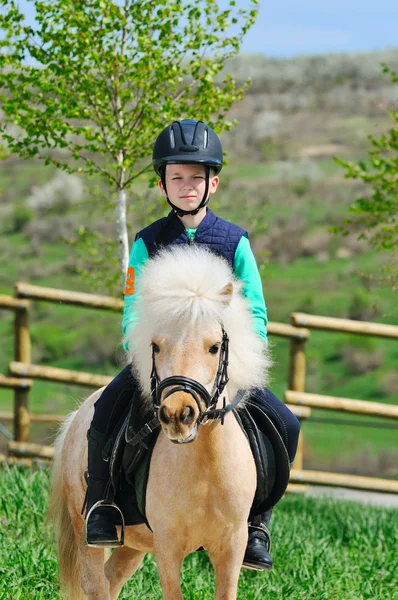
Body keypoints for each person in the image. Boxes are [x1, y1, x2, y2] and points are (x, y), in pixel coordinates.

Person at [85, 119, 300, 571]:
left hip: (218, 369)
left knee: (287, 424)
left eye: (196, 178)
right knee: (105, 412)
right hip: (161, 366)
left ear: (213, 183)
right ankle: (103, 505)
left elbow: (255, 312)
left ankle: (257, 522)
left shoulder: (235, 242)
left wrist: (244, 361)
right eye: (176, 177)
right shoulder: (147, 243)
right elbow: (133, 310)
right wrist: (142, 355)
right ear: (162, 183)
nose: (186, 186)